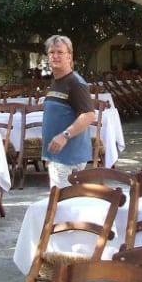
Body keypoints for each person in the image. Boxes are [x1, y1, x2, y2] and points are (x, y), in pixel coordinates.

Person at [41, 34, 96, 187]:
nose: (55, 56)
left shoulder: (75, 83)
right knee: (59, 203)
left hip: (69, 156)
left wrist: (65, 136)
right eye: (52, 52)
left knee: (63, 203)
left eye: (60, 52)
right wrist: (49, 156)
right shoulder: (57, 82)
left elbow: (89, 115)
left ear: (70, 56)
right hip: (58, 156)